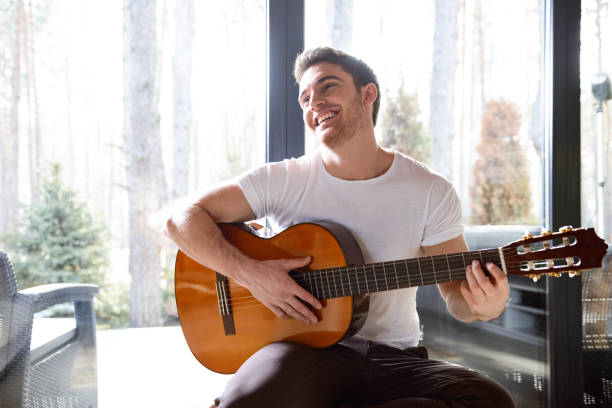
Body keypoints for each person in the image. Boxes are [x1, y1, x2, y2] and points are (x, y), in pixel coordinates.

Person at [165, 47, 515, 408]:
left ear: (367, 94)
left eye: (326, 87)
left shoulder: (428, 190)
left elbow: (457, 296)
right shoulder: (284, 179)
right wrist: (252, 274)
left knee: (489, 401)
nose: (313, 102)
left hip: (393, 358)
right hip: (300, 353)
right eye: (304, 98)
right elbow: (179, 220)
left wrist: (485, 306)